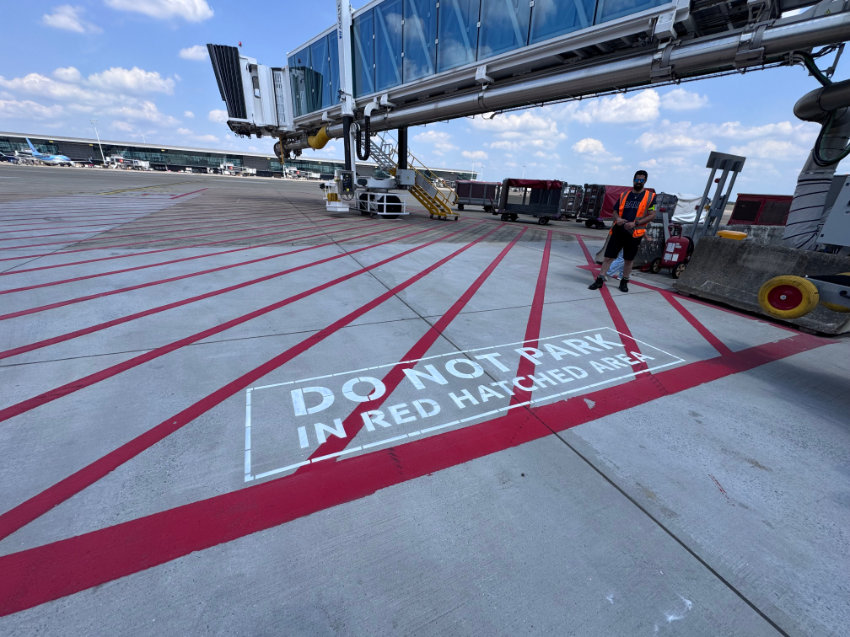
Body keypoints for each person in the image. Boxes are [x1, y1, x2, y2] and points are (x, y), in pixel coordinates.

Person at [589, 170, 656, 292]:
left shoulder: (650, 197)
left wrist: (635, 223)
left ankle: (624, 281)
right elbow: (615, 211)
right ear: (633, 180)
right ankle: (599, 280)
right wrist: (618, 219)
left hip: (635, 233)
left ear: (645, 181)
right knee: (608, 257)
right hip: (619, 230)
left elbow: (652, 215)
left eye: (641, 180)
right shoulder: (624, 195)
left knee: (628, 259)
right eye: (637, 179)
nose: (638, 182)